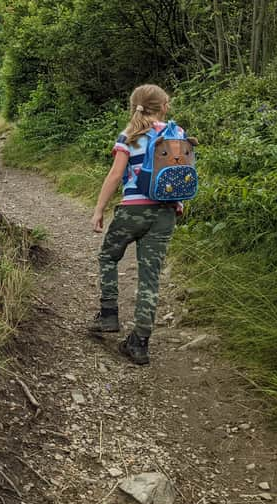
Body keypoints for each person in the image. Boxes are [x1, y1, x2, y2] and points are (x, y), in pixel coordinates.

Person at [88, 84, 187, 365]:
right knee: (149, 276)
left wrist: (99, 209)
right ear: (164, 106)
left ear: (135, 107)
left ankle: (108, 315)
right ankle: (140, 343)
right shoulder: (176, 134)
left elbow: (116, 174)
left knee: (109, 255)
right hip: (165, 212)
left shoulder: (130, 135)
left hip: (133, 210)